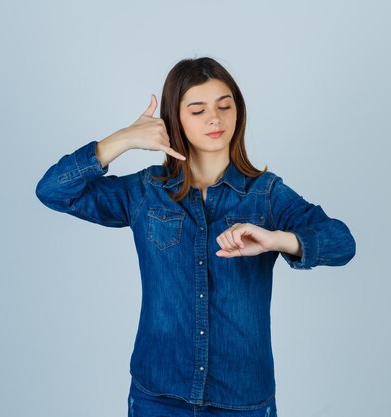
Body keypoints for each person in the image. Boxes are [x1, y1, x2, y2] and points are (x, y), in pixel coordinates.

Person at [35, 56, 356, 416]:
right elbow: (53, 191)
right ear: (176, 119)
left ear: (239, 112)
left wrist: (278, 240)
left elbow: (342, 242)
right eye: (198, 110)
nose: (215, 119)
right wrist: (123, 139)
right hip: (158, 393)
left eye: (224, 106)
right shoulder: (146, 192)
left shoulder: (265, 194)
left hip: (241, 396)